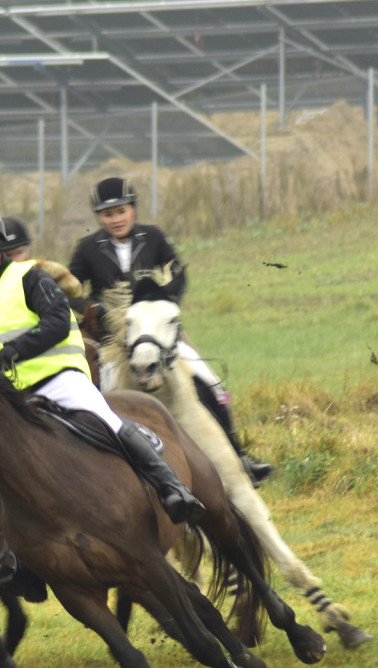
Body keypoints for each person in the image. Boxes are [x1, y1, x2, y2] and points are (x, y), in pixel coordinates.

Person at [0, 207, 206, 596]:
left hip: (61, 379)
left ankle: (172, 490)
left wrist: (16, 349)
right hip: (19, 398)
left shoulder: (28, 276)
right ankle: (17, 557)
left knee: (110, 422)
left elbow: (56, 322)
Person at [69, 176, 274, 485]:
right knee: (107, 395)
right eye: (108, 215)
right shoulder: (87, 248)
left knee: (210, 381)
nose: (116, 219)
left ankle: (238, 455)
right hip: (114, 342)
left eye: (121, 211)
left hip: (158, 335)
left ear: (133, 209)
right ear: (99, 217)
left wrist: (168, 299)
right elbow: (69, 290)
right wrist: (91, 308)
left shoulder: (153, 237)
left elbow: (178, 270)